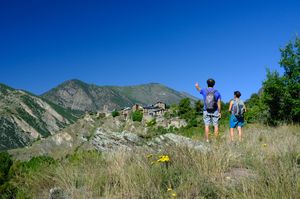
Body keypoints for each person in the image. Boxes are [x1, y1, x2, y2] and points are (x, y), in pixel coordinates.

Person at [195, 78, 222, 143]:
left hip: (206, 110)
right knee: (216, 125)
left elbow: (198, 88)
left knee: (207, 125)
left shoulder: (204, 90)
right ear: (214, 84)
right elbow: (219, 103)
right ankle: (216, 141)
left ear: (207, 84)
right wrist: (219, 112)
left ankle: (207, 140)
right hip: (215, 110)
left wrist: (196, 85)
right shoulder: (217, 92)